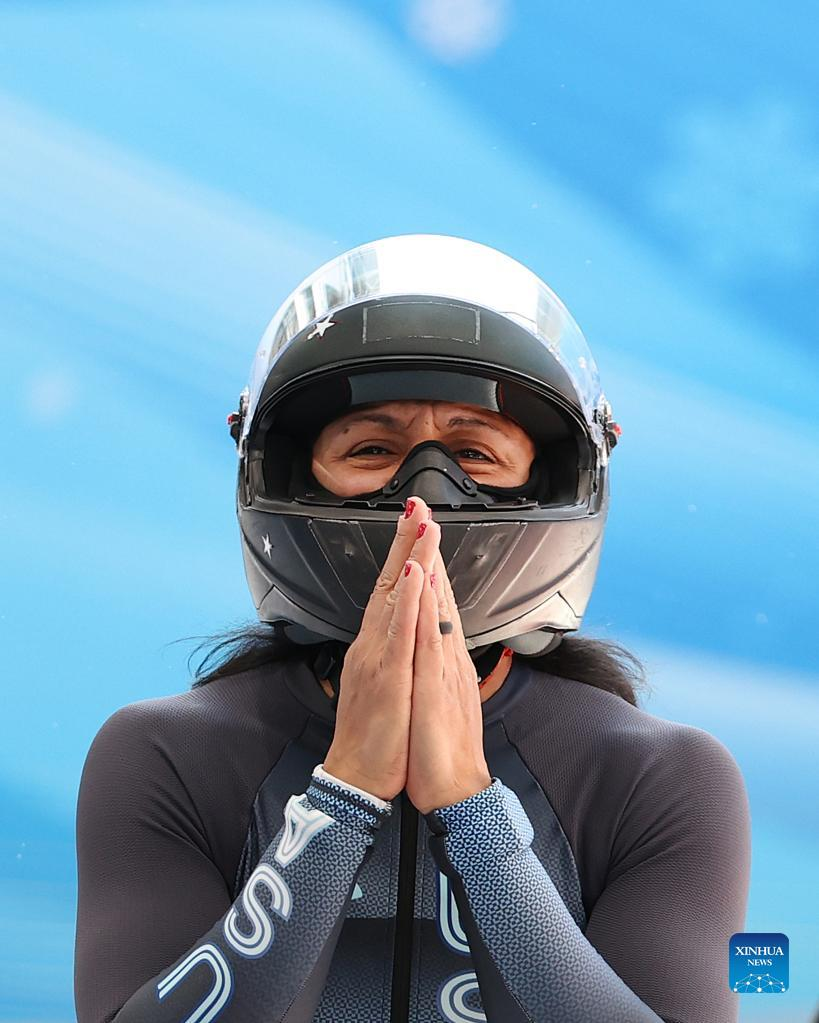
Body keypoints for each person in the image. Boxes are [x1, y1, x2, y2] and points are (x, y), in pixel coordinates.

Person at [74, 235, 751, 1023]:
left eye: (473, 452)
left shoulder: (659, 777)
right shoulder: (169, 756)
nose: (423, 499)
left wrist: (469, 806)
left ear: (551, 477)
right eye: (372, 449)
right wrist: (344, 792)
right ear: (289, 472)